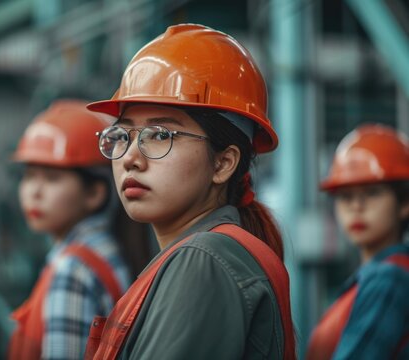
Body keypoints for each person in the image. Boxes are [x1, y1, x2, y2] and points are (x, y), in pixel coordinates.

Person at [84, 23, 296, 359]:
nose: (131, 158)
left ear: (223, 163)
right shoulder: (205, 256)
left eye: (161, 135)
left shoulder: (203, 260)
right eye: (123, 135)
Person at [7, 99, 132, 360]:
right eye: (29, 176)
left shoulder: (72, 271)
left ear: (95, 193)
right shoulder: (106, 248)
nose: (35, 192)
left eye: (52, 178)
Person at [306, 124, 409, 360]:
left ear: (404, 203)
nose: (356, 207)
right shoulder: (373, 277)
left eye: (372, 193)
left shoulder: (390, 279)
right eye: (345, 196)